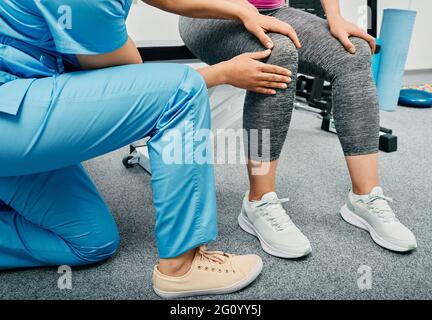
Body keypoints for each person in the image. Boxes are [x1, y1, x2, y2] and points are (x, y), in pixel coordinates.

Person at [0, 0, 300, 298]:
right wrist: (221, 74)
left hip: (20, 102)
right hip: (9, 111)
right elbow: (133, 84)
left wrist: (242, 10)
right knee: (180, 91)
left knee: (90, 241)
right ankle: (183, 265)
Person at [179, 0, 417, 258]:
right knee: (277, 53)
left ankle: (365, 197)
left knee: (354, 51)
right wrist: (243, 11)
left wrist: (335, 16)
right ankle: (259, 201)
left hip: (273, 11)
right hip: (210, 13)